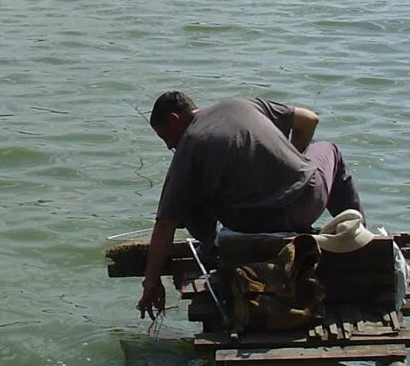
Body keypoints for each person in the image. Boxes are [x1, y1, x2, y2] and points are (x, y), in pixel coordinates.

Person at [136, 91, 362, 318]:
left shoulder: (188, 147)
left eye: (165, 136)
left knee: (189, 189)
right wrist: (293, 158)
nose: (168, 146)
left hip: (248, 224)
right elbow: (309, 120)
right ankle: (355, 233)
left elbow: (165, 223)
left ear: (175, 119)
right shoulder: (242, 104)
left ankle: (210, 248)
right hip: (304, 206)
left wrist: (151, 282)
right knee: (328, 148)